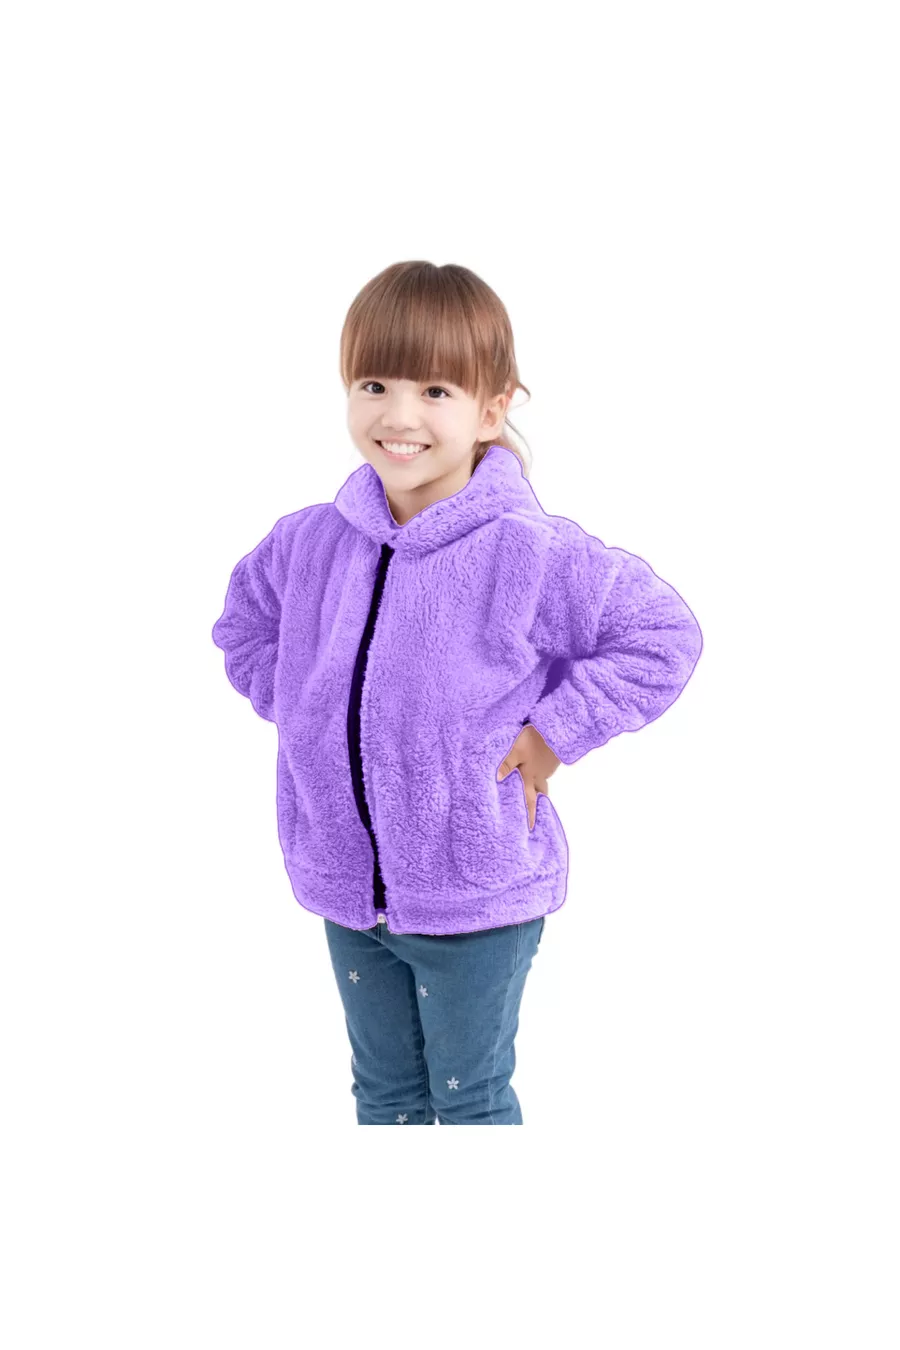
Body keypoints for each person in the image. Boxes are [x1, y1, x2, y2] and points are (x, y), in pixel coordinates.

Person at [211, 260, 703, 1125]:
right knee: (385, 1096)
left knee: (467, 1101)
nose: (399, 417)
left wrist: (553, 733)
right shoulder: (309, 543)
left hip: (475, 896)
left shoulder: (528, 552)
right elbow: (244, 625)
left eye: (436, 390)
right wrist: (307, 712)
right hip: (347, 889)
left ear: (492, 408)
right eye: (374, 384)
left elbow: (662, 636)